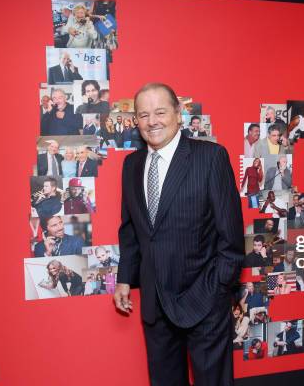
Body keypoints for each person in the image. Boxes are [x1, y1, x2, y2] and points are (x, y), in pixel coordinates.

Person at [114, 83, 244, 386]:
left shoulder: (210, 157)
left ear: (178, 114)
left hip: (204, 300)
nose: (152, 121)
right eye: (143, 115)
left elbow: (232, 237)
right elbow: (132, 229)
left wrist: (218, 290)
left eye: (160, 112)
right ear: (135, 121)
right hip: (155, 304)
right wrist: (125, 277)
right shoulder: (131, 165)